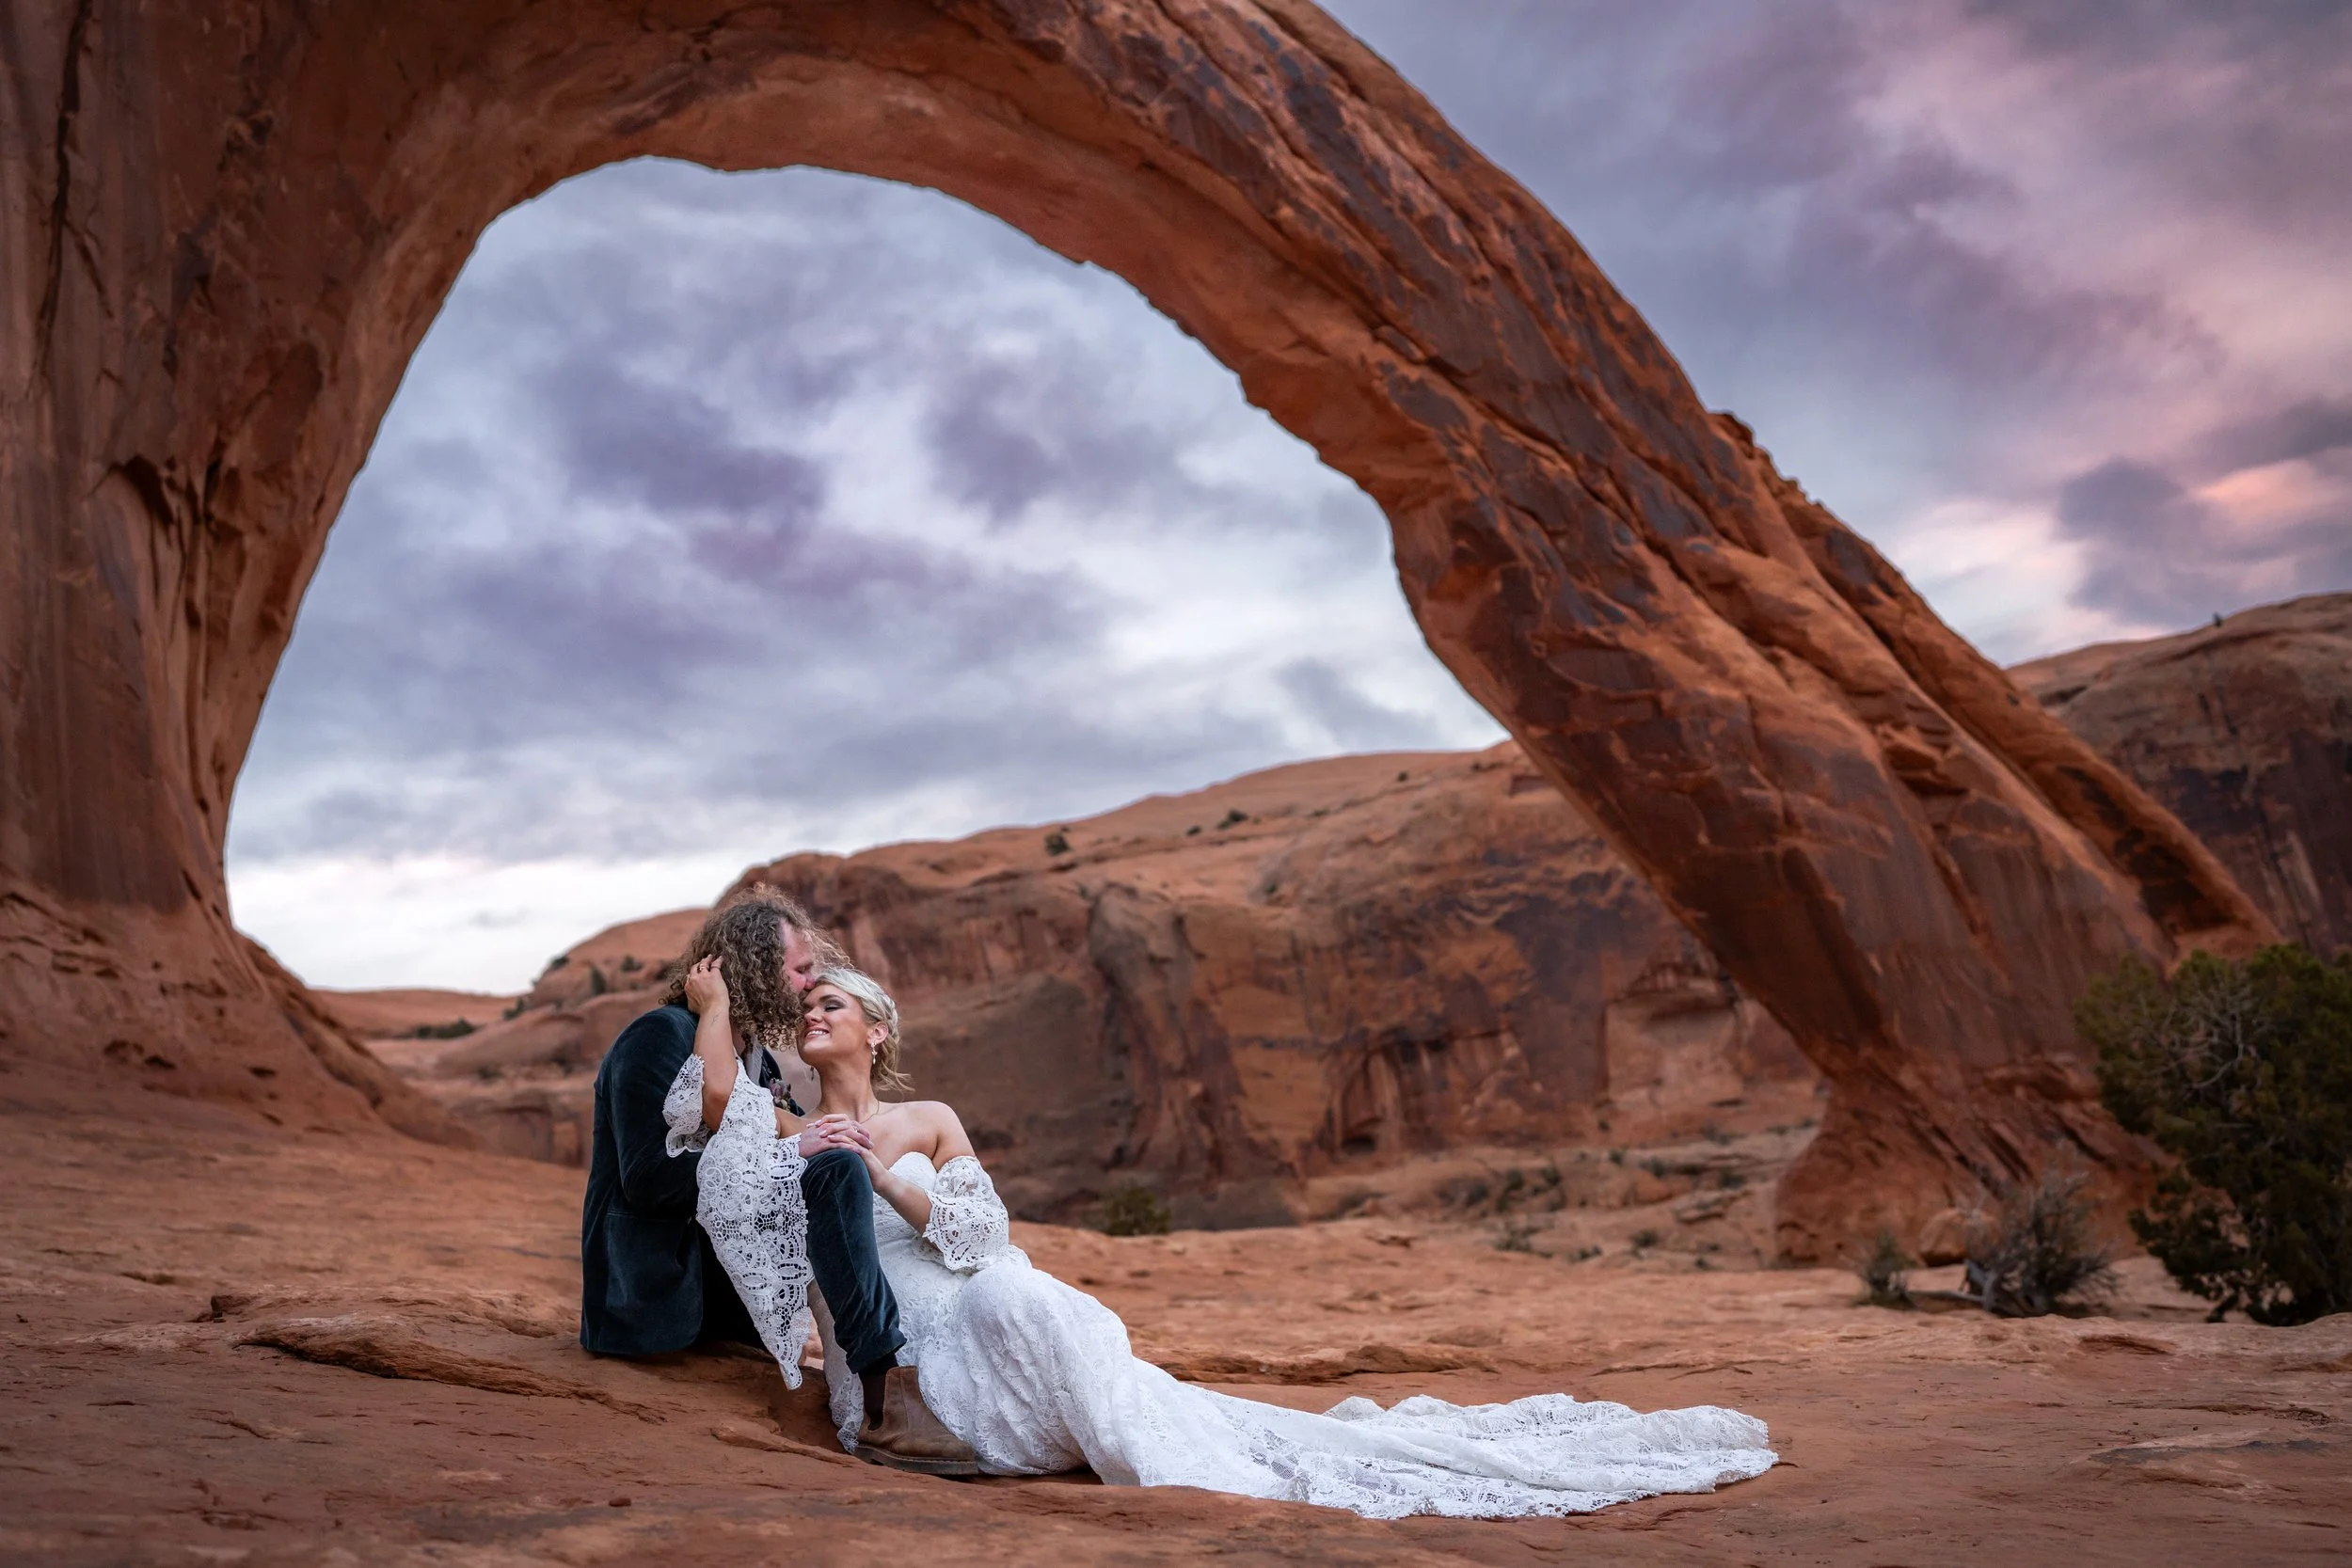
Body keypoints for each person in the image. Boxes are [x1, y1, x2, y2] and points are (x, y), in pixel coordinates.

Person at [683, 961, 1781, 1519]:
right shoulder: (788, 1125)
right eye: (808, 1003)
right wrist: (717, 1003)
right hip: (901, 1353)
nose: (816, 1014)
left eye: (834, 1002)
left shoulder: (930, 1122)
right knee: (996, 1296)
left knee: (1019, 1292)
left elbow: (983, 1230)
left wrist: (887, 1173)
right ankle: (906, 1406)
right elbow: (708, 1110)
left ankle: (1123, 1434)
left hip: (975, 1300)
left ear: (877, 1029)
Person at [579, 889, 975, 1472]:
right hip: (655, 1287)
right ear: (757, 966)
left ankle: (886, 1388)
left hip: (727, 1295)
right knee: (828, 1160)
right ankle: (884, 1397)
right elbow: (648, 1182)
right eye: (800, 969)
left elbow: (754, 1152)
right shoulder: (658, 1037)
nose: (807, 983)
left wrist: (799, 1149)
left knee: (836, 1162)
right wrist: (792, 1153)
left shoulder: (756, 1059)